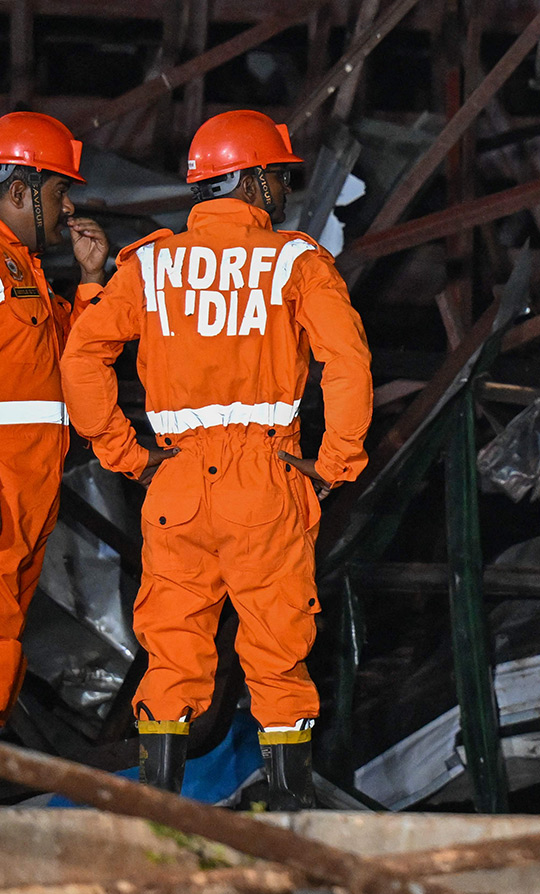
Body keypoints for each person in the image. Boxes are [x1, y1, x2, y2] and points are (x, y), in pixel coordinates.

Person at [60, 110, 372, 809]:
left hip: (174, 480)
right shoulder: (294, 260)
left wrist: (125, 454)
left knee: (171, 651)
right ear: (255, 181)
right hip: (266, 479)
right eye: (278, 179)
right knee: (277, 650)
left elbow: (83, 356)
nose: (283, 193)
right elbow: (346, 364)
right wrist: (333, 465)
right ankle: (290, 820)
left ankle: (157, 821)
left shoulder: (149, 263)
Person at [0, 111, 108, 730]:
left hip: (29, 495)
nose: (67, 208)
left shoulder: (30, 277)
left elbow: (78, 359)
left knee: (6, 640)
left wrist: (92, 282)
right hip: (7, 489)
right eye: (57, 190)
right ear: (19, 191)